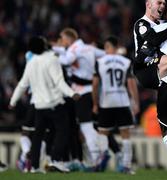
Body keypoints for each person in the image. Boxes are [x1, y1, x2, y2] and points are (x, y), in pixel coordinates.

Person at [9, 36, 80, 173]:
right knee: (63, 131)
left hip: (39, 106)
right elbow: (59, 81)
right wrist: (72, 93)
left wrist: (13, 101)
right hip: (54, 103)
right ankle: (55, 160)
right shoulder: (52, 59)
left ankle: (34, 167)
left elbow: (22, 84)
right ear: (44, 45)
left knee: (37, 136)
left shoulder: (31, 62)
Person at [52, 28, 108, 168]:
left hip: (81, 93)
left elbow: (66, 60)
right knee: (89, 125)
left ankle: (97, 155)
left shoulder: (74, 49)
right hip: (91, 90)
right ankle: (99, 153)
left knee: (86, 126)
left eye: (63, 39)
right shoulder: (88, 48)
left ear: (69, 39)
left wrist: (52, 56)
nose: (62, 41)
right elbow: (105, 54)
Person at [92, 36, 140, 174]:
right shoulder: (125, 61)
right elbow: (132, 85)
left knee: (103, 132)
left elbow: (95, 85)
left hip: (106, 101)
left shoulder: (100, 62)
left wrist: (95, 103)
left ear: (107, 47)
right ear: (116, 46)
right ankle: (126, 166)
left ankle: (102, 157)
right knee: (125, 134)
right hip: (122, 101)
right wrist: (135, 103)